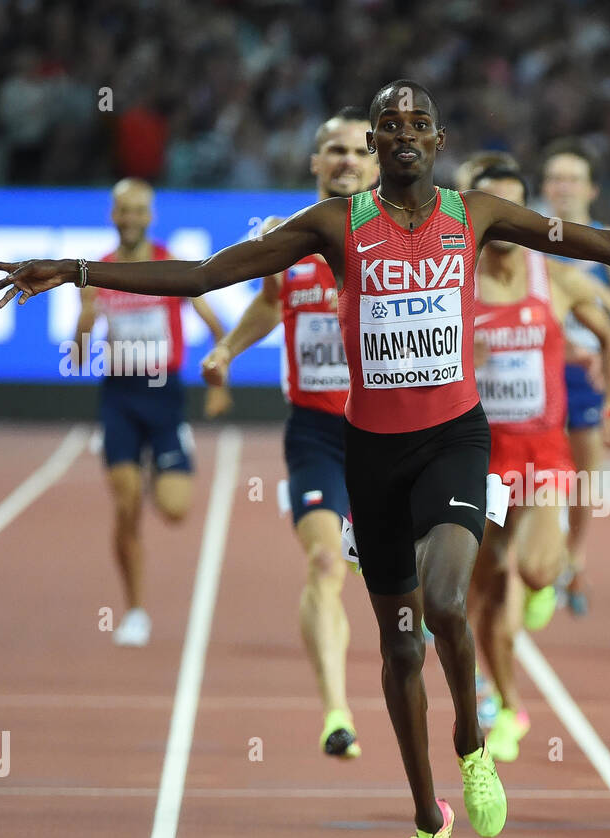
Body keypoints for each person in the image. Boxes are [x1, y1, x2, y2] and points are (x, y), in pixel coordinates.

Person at [0, 80, 610, 838]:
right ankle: (427, 821)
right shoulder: (334, 228)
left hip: (454, 440)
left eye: (420, 124)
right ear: (377, 143)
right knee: (401, 647)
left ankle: (473, 743)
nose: (407, 136)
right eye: (392, 126)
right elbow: (206, 272)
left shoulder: (477, 212)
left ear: (440, 136)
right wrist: (77, 269)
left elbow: (603, 244)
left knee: (448, 597)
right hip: (370, 456)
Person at [200, 108, 378, 761]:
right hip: (318, 432)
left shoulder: (401, 239)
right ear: (314, 161)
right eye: (334, 149)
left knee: (413, 582)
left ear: (379, 163)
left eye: (361, 151)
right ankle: (337, 709)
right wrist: (228, 348)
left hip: (390, 431)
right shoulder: (285, 239)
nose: (347, 161)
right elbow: (272, 302)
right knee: (325, 563)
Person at [466, 163, 610, 762]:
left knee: (532, 572)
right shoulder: (455, 286)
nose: (504, 222)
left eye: (515, 208)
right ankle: (509, 705)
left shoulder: (554, 278)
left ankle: (544, 575)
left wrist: (609, 404)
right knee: (481, 593)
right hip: (480, 457)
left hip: (541, 455)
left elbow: (609, 337)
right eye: (492, 208)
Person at [73, 178, 229, 648]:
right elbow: (79, 357)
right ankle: (135, 610)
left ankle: (165, 457)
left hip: (165, 398)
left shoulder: (170, 265)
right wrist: (83, 327)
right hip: (118, 397)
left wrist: (219, 382)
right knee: (125, 507)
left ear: (150, 216)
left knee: (175, 510)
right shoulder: (96, 270)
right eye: (124, 209)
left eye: (140, 209)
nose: (131, 217)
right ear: (113, 215)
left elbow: (214, 322)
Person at [539, 139, 610, 616]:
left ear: (591, 188)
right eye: (556, 177)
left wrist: (575, 280)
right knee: (536, 470)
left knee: (585, 478)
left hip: (589, 377)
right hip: (541, 370)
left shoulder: (607, 242)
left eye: (573, 178)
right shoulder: (529, 238)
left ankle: (573, 557)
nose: (564, 187)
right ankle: (541, 553)